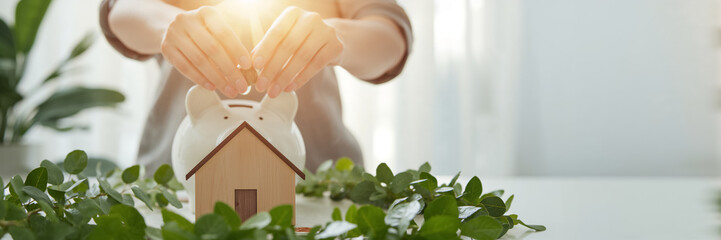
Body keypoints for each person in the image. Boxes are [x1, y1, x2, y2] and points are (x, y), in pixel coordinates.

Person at [99, 0, 412, 173]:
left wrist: (336, 38)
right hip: (175, 178)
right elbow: (120, 9)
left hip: (318, 180)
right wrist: (168, 25)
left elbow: (390, 35)